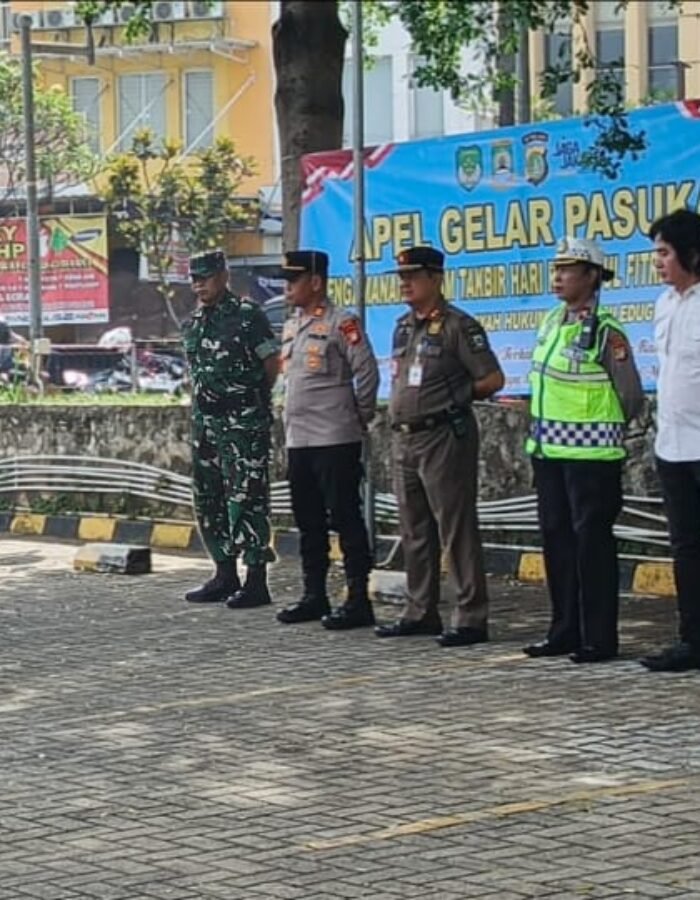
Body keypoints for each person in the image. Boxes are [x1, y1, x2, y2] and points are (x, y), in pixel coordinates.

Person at [375, 246, 504, 646]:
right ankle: (420, 611)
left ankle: (470, 617)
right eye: (401, 276)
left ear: (435, 278)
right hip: (405, 437)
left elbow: (492, 379)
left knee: (455, 528)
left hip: (443, 435)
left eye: (413, 276)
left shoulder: (458, 326)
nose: (405, 283)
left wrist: (455, 398)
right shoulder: (403, 326)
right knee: (414, 530)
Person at [524, 237, 644, 664]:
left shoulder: (607, 330)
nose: (557, 277)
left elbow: (630, 395)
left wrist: (601, 430)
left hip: (591, 457)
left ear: (592, 277)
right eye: (556, 269)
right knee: (556, 541)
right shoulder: (551, 321)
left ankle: (598, 638)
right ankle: (563, 630)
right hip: (549, 452)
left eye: (567, 270)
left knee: (591, 546)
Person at [276, 250, 380, 629]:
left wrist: (360, 415)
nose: (287, 288)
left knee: (345, 518)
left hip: (334, 437)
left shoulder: (342, 322)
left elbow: (366, 372)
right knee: (309, 522)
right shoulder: (292, 325)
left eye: (294, 280)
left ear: (316, 282)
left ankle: (357, 598)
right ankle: (314, 594)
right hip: (299, 440)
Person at [181, 250, 279, 608]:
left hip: (242, 424)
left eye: (205, 278)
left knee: (247, 498)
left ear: (224, 276)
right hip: (206, 425)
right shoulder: (195, 322)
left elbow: (271, 362)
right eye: (194, 279)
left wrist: (251, 400)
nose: (199, 285)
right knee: (209, 498)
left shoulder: (247, 315)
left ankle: (256, 579)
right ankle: (224, 573)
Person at [641, 209, 700, 672]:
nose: (658, 261)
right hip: (673, 446)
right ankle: (692, 638)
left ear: (691, 254)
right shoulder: (664, 304)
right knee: (686, 547)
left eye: (665, 252)